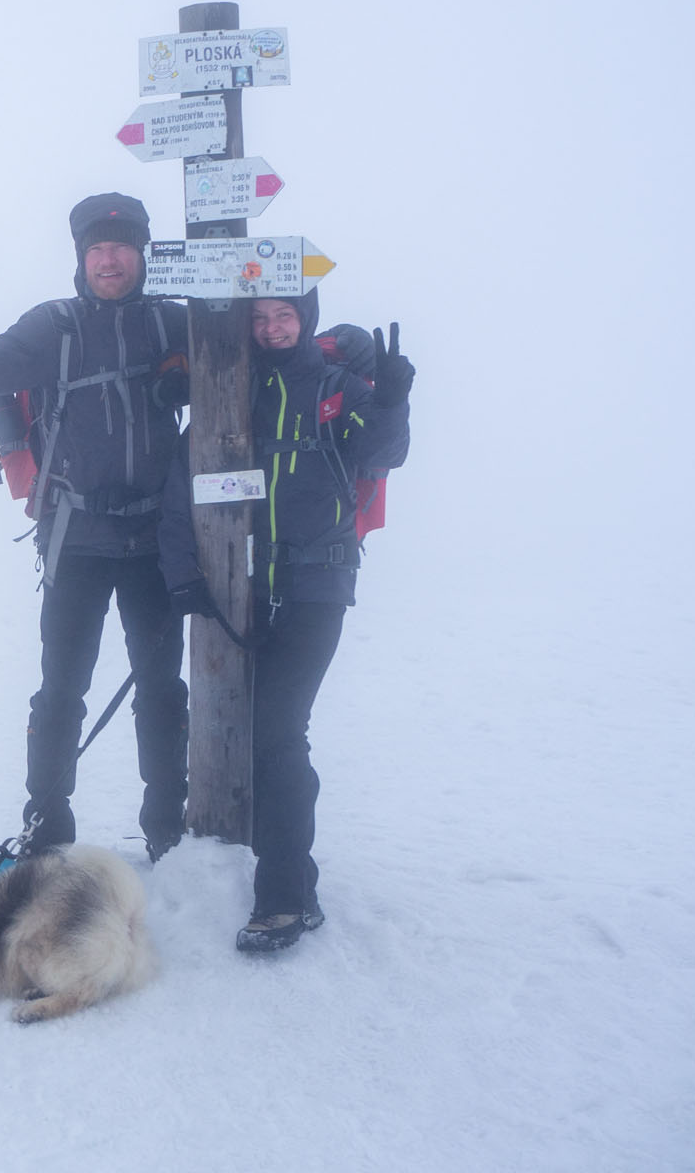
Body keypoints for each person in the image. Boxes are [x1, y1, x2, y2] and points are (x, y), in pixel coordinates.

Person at [0, 193, 213, 859]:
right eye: (96, 250)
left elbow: (251, 359)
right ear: (81, 259)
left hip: (154, 545)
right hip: (77, 540)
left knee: (162, 690)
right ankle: (47, 826)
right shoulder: (53, 328)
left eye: (121, 248)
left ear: (142, 254)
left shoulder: (173, 325)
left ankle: (166, 829)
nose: (109, 261)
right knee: (61, 692)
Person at [225, 292, 414, 952]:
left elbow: (385, 452)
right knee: (262, 735)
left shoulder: (336, 388)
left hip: (317, 586)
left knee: (277, 732)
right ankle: (293, 884)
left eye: (284, 316)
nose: (272, 328)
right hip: (250, 582)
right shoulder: (237, 386)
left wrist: (390, 398)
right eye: (260, 318)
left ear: (305, 319)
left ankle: (282, 901)